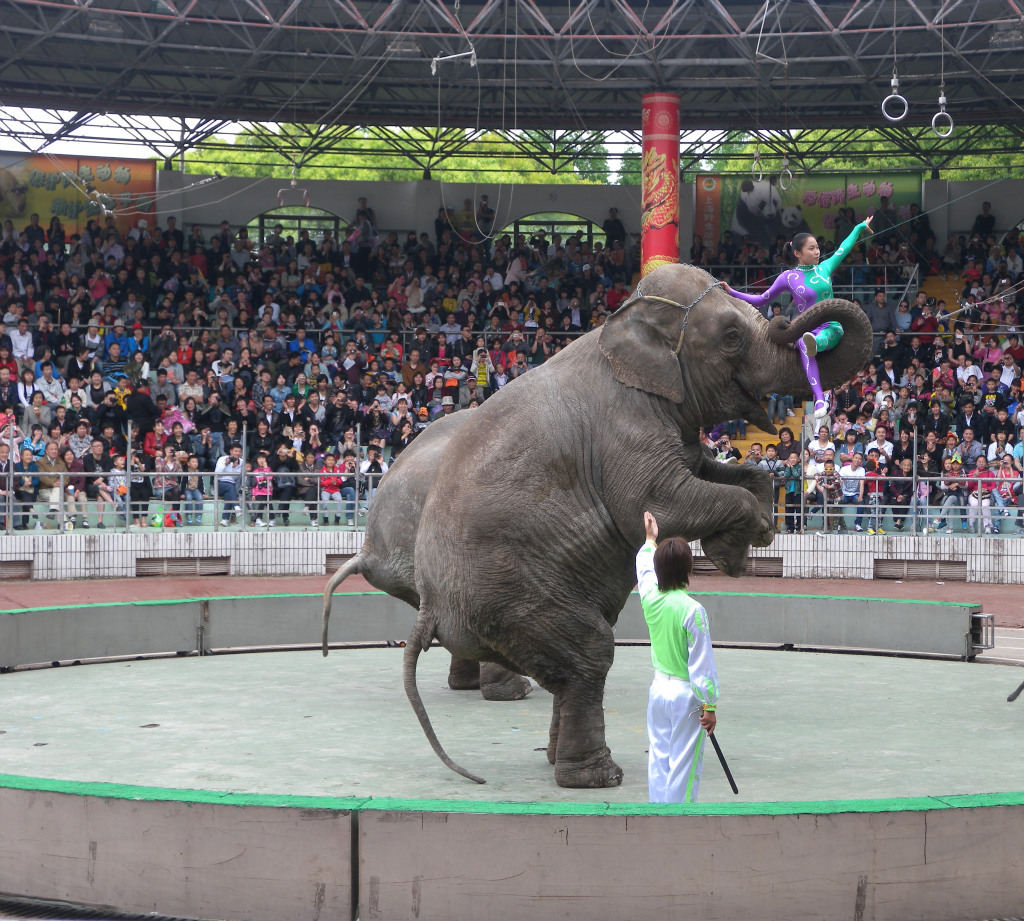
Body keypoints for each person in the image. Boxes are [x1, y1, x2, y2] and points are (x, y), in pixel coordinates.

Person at [724, 216, 874, 417]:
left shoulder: (825, 268)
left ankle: (816, 344)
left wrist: (859, 227)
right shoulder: (788, 277)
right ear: (797, 253)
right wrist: (732, 292)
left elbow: (844, 248)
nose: (817, 251)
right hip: (806, 329)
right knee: (804, 342)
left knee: (811, 341)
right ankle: (819, 399)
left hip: (830, 326)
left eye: (817, 247)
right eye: (811, 248)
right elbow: (761, 299)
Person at [636, 512, 718, 804]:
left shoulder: (649, 597)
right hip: (686, 696)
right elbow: (702, 663)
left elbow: (644, 570)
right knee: (683, 764)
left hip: (658, 690)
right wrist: (709, 704)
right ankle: (678, 823)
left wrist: (649, 540)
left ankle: (657, 815)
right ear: (688, 568)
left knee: (659, 757)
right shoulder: (693, 610)